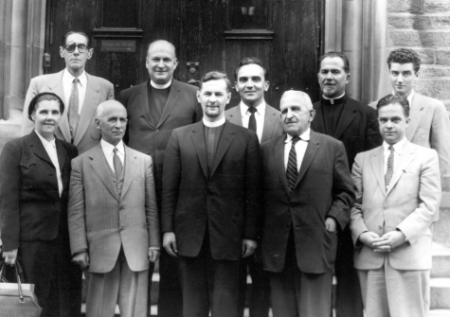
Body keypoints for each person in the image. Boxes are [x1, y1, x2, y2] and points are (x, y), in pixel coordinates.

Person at [161, 71, 261, 317]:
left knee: (226, 306)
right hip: (189, 234)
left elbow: (254, 191)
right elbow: (169, 188)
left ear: (229, 97)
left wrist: (250, 234)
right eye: (208, 94)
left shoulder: (246, 138)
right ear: (199, 96)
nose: (213, 99)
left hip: (230, 236)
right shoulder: (180, 136)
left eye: (218, 94)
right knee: (192, 308)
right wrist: (168, 230)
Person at [120, 39, 202, 316]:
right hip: (138, 191)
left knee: (173, 263)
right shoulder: (127, 96)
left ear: (176, 63)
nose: (161, 64)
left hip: (180, 192)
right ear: (146, 62)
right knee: (139, 261)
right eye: (155, 59)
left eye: (167, 59)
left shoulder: (193, 95)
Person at [260, 90, 355, 317]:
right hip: (278, 247)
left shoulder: (332, 147)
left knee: (315, 312)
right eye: (283, 110)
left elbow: (346, 192)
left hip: (317, 241)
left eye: (295, 109)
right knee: (283, 311)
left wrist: (333, 218)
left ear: (311, 114)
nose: (288, 115)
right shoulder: (265, 149)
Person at [351, 94, 441, 317]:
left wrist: (401, 234)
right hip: (371, 254)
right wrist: (362, 234)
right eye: (383, 120)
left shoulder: (426, 157)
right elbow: (353, 204)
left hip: (409, 252)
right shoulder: (362, 160)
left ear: (407, 121)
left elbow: (429, 205)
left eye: (395, 119)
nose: (389, 125)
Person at [68, 100, 160, 317]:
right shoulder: (81, 163)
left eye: (122, 120)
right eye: (112, 119)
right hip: (100, 249)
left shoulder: (143, 161)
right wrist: (79, 248)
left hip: (136, 248)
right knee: (99, 311)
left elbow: (151, 208)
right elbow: (75, 211)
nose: (119, 125)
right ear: (98, 124)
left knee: (136, 311)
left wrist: (154, 243)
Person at [311, 51, 382, 317]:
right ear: (318, 76)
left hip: (351, 208)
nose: (329, 77)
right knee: (314, 278)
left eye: (335, 71)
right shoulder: (307, 112)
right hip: (313, 211)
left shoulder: (366, 114)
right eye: (324, 72)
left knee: (348, 278)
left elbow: (373, 166)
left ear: (347, 77)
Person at [0, 92, 80, 316]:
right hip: (31, 241)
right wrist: (9, 244)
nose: (49, 117)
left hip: (63, 240)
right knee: (33, 303)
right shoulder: (17, 148)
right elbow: (7, 199)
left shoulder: (69, 150)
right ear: (33, 114)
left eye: (55, 112)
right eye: (44, 111)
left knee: (61, 301)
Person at [225, 56, 282, 317]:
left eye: (255, 79)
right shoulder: (221, 119)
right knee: (231, 288)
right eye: (243, 79)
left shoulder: (282, 119)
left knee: (263, 288)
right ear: (235, 86)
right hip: (232, 220)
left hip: (270, 219)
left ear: (266, 84)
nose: (250, 84)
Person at [21, 31, 114, 154]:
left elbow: (109, 131)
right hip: (49, 162)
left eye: (81, 47)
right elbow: (28, 129)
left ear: (89, 53)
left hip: (89, 164)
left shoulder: (105, 88)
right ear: (61, 52)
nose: (76, 52)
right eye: (70, 47)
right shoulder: (39, 85)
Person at [370, 48, 450, 177]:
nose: (399, 80)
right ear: (389, 73)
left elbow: (441, 158)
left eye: (406, 73)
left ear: (416, 74)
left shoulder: (433, 108)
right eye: (395, 73)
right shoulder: (372, 108)